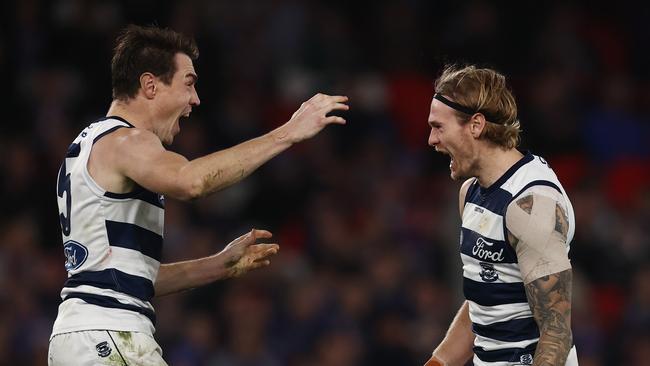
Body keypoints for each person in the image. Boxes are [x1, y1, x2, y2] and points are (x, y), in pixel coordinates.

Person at [48, 24, 349, 366]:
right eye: (188, 84)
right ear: (150, 85)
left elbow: (128, 278)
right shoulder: (126, 140)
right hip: (110, 334)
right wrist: (288, 134)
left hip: (80, 336)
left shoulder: (88, 146)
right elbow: (191, 181)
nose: (195, 100)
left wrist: (216, 265)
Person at [422, 65, 578, 366]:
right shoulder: (471, 193)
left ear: (476, 125)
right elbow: (485, 303)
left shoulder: (531, 205)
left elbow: (555, 333)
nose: (431, 139)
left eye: (439, 127)